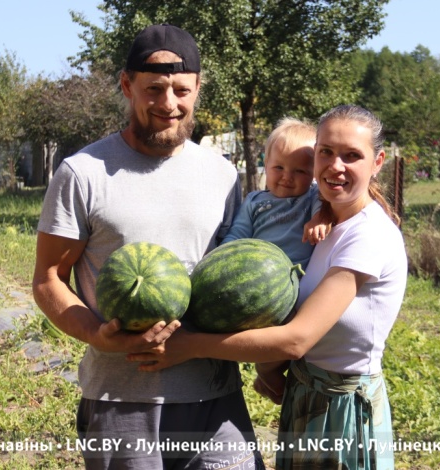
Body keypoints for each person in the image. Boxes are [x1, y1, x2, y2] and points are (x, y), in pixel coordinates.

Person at [32, 24, 264, 469]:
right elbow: (48, 281)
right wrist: (97, 334)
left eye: (181, 89)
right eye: (154, 89)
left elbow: (241, 274)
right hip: (123, 397)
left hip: (216, 393)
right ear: (127, 85)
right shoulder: (83, 173)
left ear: (198, 88)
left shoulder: (222, 175)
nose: (169, 104)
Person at [129, 104, 407, 470]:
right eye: (326, 152)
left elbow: (296, 339)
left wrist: (190, 346)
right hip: (305, 392)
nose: (335, 166)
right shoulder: (328, 223)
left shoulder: (367, 235)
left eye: (352, 155)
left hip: (340, 408)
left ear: (378, 161)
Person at [222, 117, 326, 270]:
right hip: (255, 271)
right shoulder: (254, 201)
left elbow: (322, 209)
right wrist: (221, 255)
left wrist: (318, 220)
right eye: (279, 168)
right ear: (266, 164)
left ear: (313, 173)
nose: (287, 177)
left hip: (295, 278)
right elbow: (238, 234)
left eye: (300, 171)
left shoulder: (311, 196)